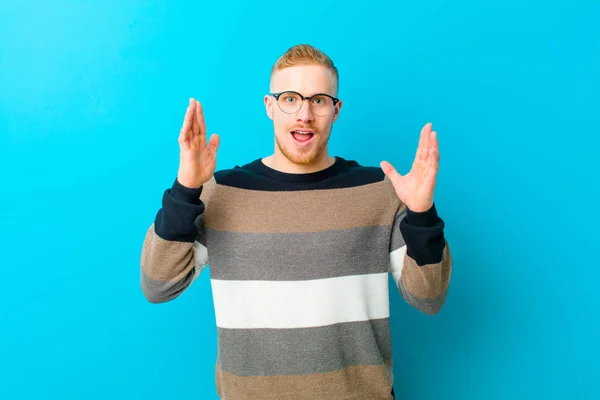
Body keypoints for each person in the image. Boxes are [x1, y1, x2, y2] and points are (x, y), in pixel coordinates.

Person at [140, 44, 453, 400]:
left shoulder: (380, 190)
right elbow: (158, 285)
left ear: (335, 111)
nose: (304, 114)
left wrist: (422, 212)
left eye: (319, 100)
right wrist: (186, 189)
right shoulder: (220, 191)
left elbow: (429, 298)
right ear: (270, 107)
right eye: (290, 98)